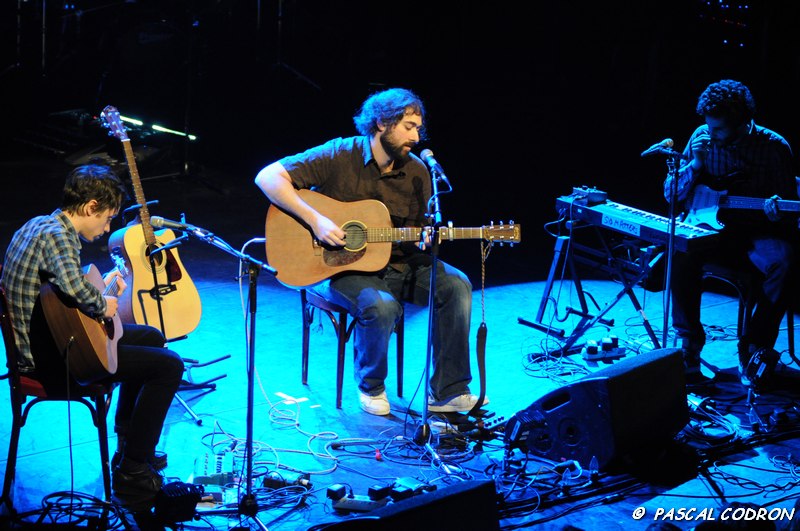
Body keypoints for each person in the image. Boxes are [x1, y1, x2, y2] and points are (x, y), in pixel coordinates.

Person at [255, 87, 486, 416]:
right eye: (409, 127)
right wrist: (317, 221)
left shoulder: (419, 173)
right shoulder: (339, 154)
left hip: (395, 262)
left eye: (419, 129)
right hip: (335, 266)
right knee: (381, 306)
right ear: (381, 123)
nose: (416, 137)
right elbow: (268, 176)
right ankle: (372, 386)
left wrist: (425, 240)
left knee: (457, 284)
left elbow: (415, 233)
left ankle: (448, 391)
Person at [1, 164, 184, 511]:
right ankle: (133, 472)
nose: (107, 227)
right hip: (50, 361)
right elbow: (76, 291)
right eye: (108, 218)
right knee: (169, 366)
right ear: (90, 207)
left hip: (49, 339)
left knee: (152, 337)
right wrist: (105, 303)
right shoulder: (59, 236)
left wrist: (103, 289)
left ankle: (128, 447)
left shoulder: (39, 224)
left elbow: (62, 289)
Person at [663, 79, 797, 387]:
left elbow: (789, 213)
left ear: (744, 122)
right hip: (712, 231)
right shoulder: (701, 138)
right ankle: (689, 348)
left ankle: (754, 349)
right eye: (709, 127)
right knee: (681, 250)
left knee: (786, 261)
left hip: (758, 233)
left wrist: (777, 211)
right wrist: (695, 165)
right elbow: (672, 195)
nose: (712, 135)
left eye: (720, 129)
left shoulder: (774, 147)